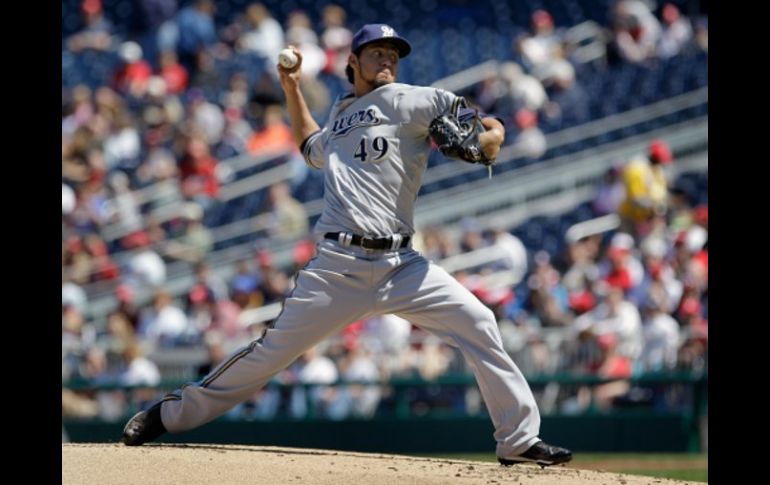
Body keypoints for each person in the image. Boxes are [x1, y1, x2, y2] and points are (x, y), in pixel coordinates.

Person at [122, 23, 572, 467]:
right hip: (337, 267)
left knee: (478, 322)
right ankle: (169, 414)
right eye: (377, 52)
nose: (389, 59)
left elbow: (487, 125)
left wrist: (489, 138)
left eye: (393, 53)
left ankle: (517, 439)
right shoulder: (338, 116)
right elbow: (308, 145)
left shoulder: (413, 98)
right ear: (352, 62)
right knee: (266, 355)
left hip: (402, 264)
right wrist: (291, 85)